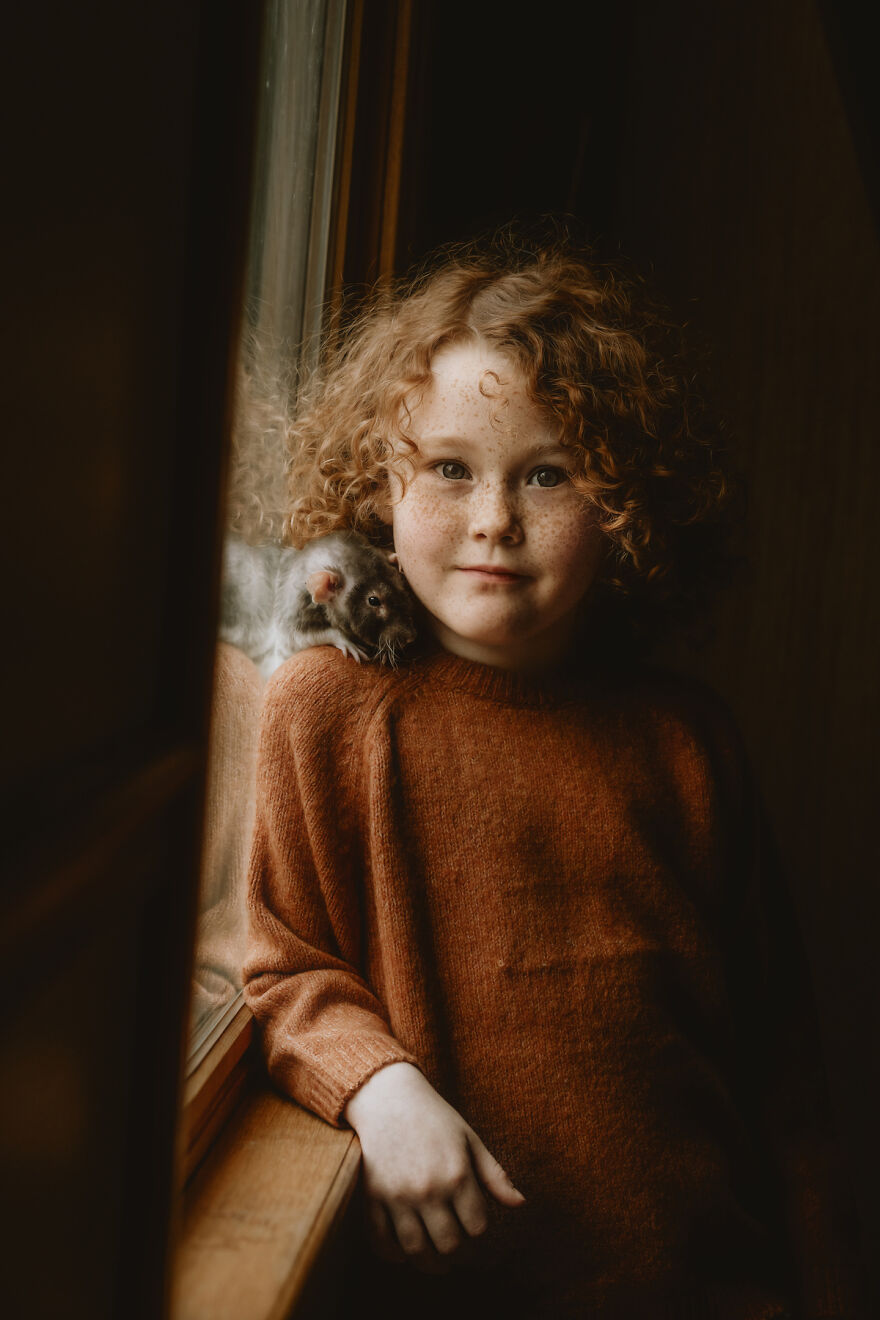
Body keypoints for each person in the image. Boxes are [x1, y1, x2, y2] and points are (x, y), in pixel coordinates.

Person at [241, 233, 866, 1318]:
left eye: (546, 472)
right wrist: (379, 1090)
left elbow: (783, 1069)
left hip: (708, 1284)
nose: (493, 520)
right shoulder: (323, 709)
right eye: (448, 469)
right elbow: (281, 965)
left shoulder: (686, 740)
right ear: (379, 481)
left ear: (623, 499)